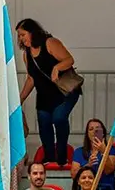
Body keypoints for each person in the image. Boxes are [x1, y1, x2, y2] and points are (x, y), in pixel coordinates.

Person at [17, 18, 80, 167]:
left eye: (23, 34)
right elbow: (31, 78)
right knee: (44, 124)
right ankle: (50, 158)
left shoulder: (50, 43)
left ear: (32, 32)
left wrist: (57, 68)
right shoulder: (26, 54)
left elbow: (69, 60)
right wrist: (20, 99)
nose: (21, 38)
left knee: (59, 119)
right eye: (19, 36)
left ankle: (62, 158)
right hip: (44, 95)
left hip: (63, 92)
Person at [70, 119, 115, 190]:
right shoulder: (79, 151)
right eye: (91, 129)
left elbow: (109, 170)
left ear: (103, 132)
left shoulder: (111, 149)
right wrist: (88, 165)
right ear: (87, 134)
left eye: (98, 129)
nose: (94, 131)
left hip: (106, 189)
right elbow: (74, 175)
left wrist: (103, 151)